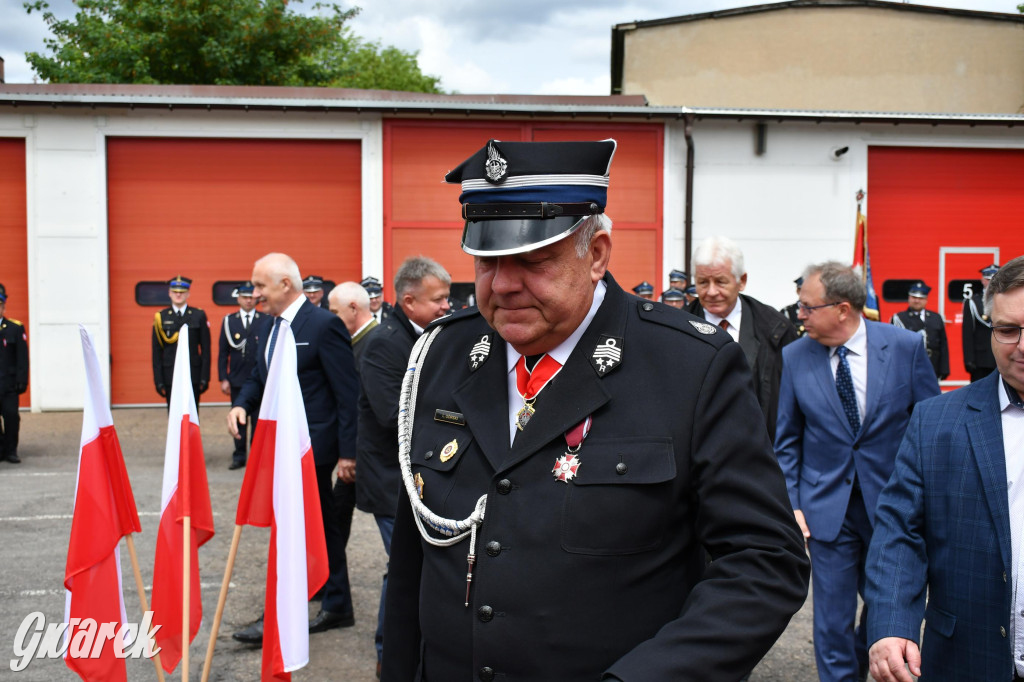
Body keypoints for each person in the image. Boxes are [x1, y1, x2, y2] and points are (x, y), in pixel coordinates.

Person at [382, 139, 809, 681]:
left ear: (598, 254)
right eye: (487, 261)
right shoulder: (442, 355)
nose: (504, 284)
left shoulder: (689, 366)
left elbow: (765, 560)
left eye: (532, 260)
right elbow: (413, 562)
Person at [774, 261, 940, 682]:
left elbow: (931, 427)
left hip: (893, 507)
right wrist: (793, 504)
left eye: (808, 307)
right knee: (831, 620)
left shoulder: (904, 347)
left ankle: (863, 660)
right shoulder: (795, 357)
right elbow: (787, 440)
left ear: (842, 309)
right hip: (826, 510)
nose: (800, 315)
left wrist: (928, 496)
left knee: (887, 610)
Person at [865, 254, 1024, 682]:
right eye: (1008, 330)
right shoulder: (935, 421)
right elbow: (900, 530)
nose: (1022, 346)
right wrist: (892, 623)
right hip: (968, 659)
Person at [228, 253, 359, 643]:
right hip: (279, 448)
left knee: (306, 527)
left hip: (311, 449)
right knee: (312, 526)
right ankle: (329, 597)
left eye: (260, 285)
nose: (255, 293)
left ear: (285, 284)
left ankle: (300, 609)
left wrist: (348, 454)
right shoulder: (270, 326)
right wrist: (241, 404)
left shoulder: (323, 325)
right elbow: (260, 375)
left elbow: (347, 393)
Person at [358, 257, 451, 676]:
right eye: (439, 299)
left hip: (420, 476)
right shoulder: (384, 343)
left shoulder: (432, 336)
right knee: (402, 567)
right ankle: (389, 652)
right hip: (389, 480)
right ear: (409, 302)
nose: (447, 306)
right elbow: (392, 414)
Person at [686, 236, 798, 443]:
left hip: (760, 447)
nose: (711, 292)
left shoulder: (776, 329)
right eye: (702, 282)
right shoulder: (677, 327)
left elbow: (791, 401)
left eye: (721, 281)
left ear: (742, 281)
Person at [217, 282, 262, 470]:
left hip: (260, 380)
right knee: (238, 420)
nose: (248, 301)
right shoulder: (230, 321)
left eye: (251, 297)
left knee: (258, 421)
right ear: (238, 299)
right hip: (237, 379)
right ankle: (239, 455)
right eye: (245, 297)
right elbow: (223, 352)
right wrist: (223, 378)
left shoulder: (265, 319)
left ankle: (257, 457)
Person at [151, 276, 210, 409]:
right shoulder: (161, 317)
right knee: (173, 414)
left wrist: (204, 377)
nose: (178, 295)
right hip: (170, 375)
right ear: (169, 293)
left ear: (188, 294)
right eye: (175, 292)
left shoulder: (198, 315)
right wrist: (158, 380)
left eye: (182, 292)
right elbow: (157, 352)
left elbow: (206, 349)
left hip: (193, 374)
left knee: (192, 414)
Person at [890, 281, 949, 380]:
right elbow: (894, 346)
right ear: (909, 298)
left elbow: (943, 345)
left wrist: (944, 369)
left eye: (921, 298)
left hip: (932, 366)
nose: (917, 301)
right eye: (914, 297)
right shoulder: (899, 318)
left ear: (926, 300)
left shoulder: (936, 318)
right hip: (909, 367)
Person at [0, 284, 28, 464]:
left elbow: (22, 357)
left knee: (11, 417)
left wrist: (22, 380)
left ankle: (11, 451)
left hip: (8, 385)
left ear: (3, 307)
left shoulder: (15, 328)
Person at [963, 263, 1000, 382]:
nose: (991, 283)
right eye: (988, 280)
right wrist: (969, 359)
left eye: (995, 280)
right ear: (982, 280)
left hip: (1002, 357)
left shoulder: (1007, 300)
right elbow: (967, 333)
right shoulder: (973, 302)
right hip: (981, 359)